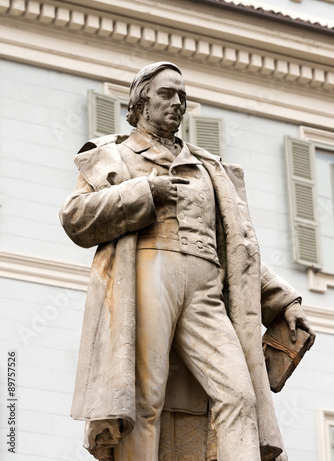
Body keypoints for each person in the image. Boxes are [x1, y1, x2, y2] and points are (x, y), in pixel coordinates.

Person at [60, 62, 315, 461]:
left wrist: (284, 301)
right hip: (148, 275)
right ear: (141, 100)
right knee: (145, 397)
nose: (177, 102)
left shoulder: (209, 168)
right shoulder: (115, 155)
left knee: (239, 394)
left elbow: (239, 252)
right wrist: (146, 192)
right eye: (166, 93)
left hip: (207, 288)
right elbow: (76, 217)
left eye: (182, 95)